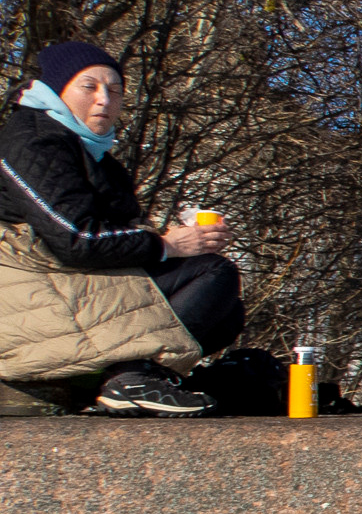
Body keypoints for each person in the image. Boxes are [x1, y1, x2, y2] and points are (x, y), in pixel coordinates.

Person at [0, 41, 242, 415]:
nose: (104, 100)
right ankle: (129, 378)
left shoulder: (88, 150)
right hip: (26, 289)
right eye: (89, 87)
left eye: (114, 91)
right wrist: (168, 246)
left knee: (226, 312)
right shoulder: (35, 140)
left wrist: (181, 238)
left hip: (61, 281)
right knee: (212, 273)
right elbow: (75, 238)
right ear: (57, 90)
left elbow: (105, 234)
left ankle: (119, 380)